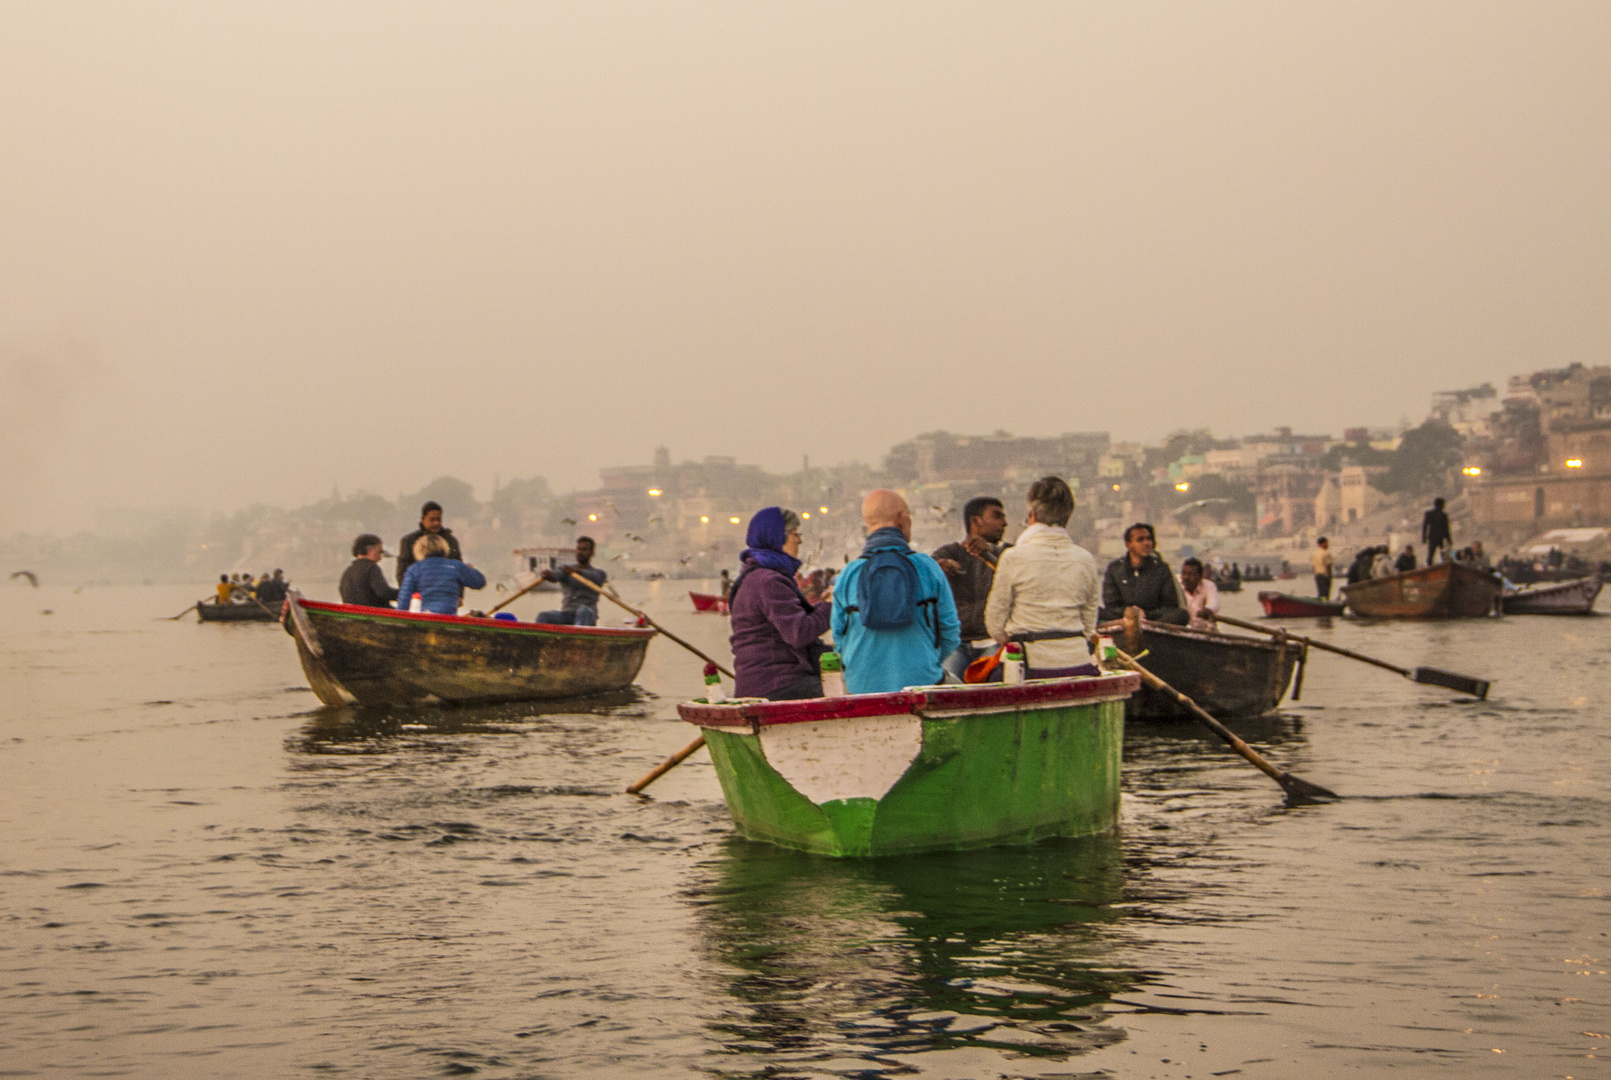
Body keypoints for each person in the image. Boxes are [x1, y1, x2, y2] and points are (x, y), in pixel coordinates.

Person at [831, 490, 961, 694]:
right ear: (902, 519)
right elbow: (950, 631)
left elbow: (839, 640)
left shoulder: (848, 574)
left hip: (861, 689)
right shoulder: (926, 567)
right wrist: (925, 662)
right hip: (923, 683)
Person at [981, 477, 1101, 676]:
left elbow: (995, 625)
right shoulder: (1085, 559)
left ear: (1032, 515)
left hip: (1030, 664)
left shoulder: (1013, 557)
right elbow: (1089, 626)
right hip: (1078, 662)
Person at [728, 508, 832, 700]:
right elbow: (798, 633)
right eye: (795, 534)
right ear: (777, 538)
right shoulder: (769, 581)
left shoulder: (755, 576)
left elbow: (794, 622)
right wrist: (830, 607)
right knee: (845, 690)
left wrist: (822, 605)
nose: (800, 540)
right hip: (778, 684)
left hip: (758, 683)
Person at [933, 495, 1010, 679]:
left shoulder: (1008, 554)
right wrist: (941, 566)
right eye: (997, 516)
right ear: (975, 521)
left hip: (995, 642)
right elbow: (929, 568)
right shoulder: (951, 552)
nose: (1005, 523)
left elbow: (1018, 566)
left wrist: (989, 550)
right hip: (957, 644)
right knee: (948, 690)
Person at [1099, 523, 1188, 625]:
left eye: (1149, 539)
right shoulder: (1115, 568)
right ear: (1128, 544)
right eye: (1140, 540)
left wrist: (1145, 614)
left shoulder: (1161, 568)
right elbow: (1111, 604)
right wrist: (1129, 613)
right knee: (1097, 612)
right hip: (1123, 619)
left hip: (1152, 620)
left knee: (1181, 614)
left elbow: (1170, 604)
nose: (1146, 543)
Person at [396, 533, 485, 615]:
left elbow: (404, 602)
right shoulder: (455, 566)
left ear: (419, 549)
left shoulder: (414, 569)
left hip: (423, 617)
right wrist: (470, 570)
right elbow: (479, 582)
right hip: (447, 617)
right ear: (444, 547)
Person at [536, 537, 607, 625]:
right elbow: (555, 576)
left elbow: (596, 578)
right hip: (567, 614)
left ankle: (579, 638)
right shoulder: (565, 569)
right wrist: (549, 575)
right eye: (579, 549)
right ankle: (540, 638)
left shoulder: (599, 573)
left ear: (592, 553)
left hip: (587, 614)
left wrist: (578, 572)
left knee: (583, 611)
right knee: (544, 616)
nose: (581, 552)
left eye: (585, 550)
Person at [396, 501, 462, 584]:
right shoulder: (409, 541)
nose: (436, 523)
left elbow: (458, 569)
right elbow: (402, 572)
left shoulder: (450, 541)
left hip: (446, 592)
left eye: (438, 520)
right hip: (418, 591)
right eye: (432, 520)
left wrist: (458, 593)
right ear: (423, 520)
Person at [340, 533, 399, 608]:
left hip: (354, 615)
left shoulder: (348, 571)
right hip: (374, 615)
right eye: (379, 552)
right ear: (369, 550)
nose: (380, 557)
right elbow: (384, 592)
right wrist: (406, 594)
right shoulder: (371, 568)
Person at [1178, 557, 1220, 630]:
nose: (1185, 577)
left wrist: (1207, 611)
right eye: (1183, 573)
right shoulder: (1178, 588)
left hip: (1206, 631)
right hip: (1183, 630)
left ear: (1200, 576)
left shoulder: (1209, 586)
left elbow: (1214, 604)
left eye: (1190, 574)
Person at [1422, 497, 1452, 565]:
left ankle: (1430, 567)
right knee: (1443, 554)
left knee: (1431, 555)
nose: (1444, 506)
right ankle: (1444, 566)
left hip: (1433, 537)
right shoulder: (1443, 515)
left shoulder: (1429, 513)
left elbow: (1425, 526)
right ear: (1440, 505)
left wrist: (1424, 537)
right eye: (1443, 504)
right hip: (1439, 538)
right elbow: (1446, 529)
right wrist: (1449, 539)